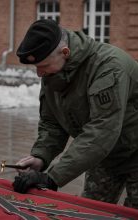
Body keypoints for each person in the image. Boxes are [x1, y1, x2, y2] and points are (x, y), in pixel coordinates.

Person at [13, 19, 138, 209]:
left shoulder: (108, 67)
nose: (39, 74)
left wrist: (53, 178)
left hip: (132, 151)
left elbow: (102, 130)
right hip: (103, 156)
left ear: (65, 52)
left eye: (42, 65)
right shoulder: (52, 72)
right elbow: (51, 122)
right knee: (89, 210)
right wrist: (40, 157)